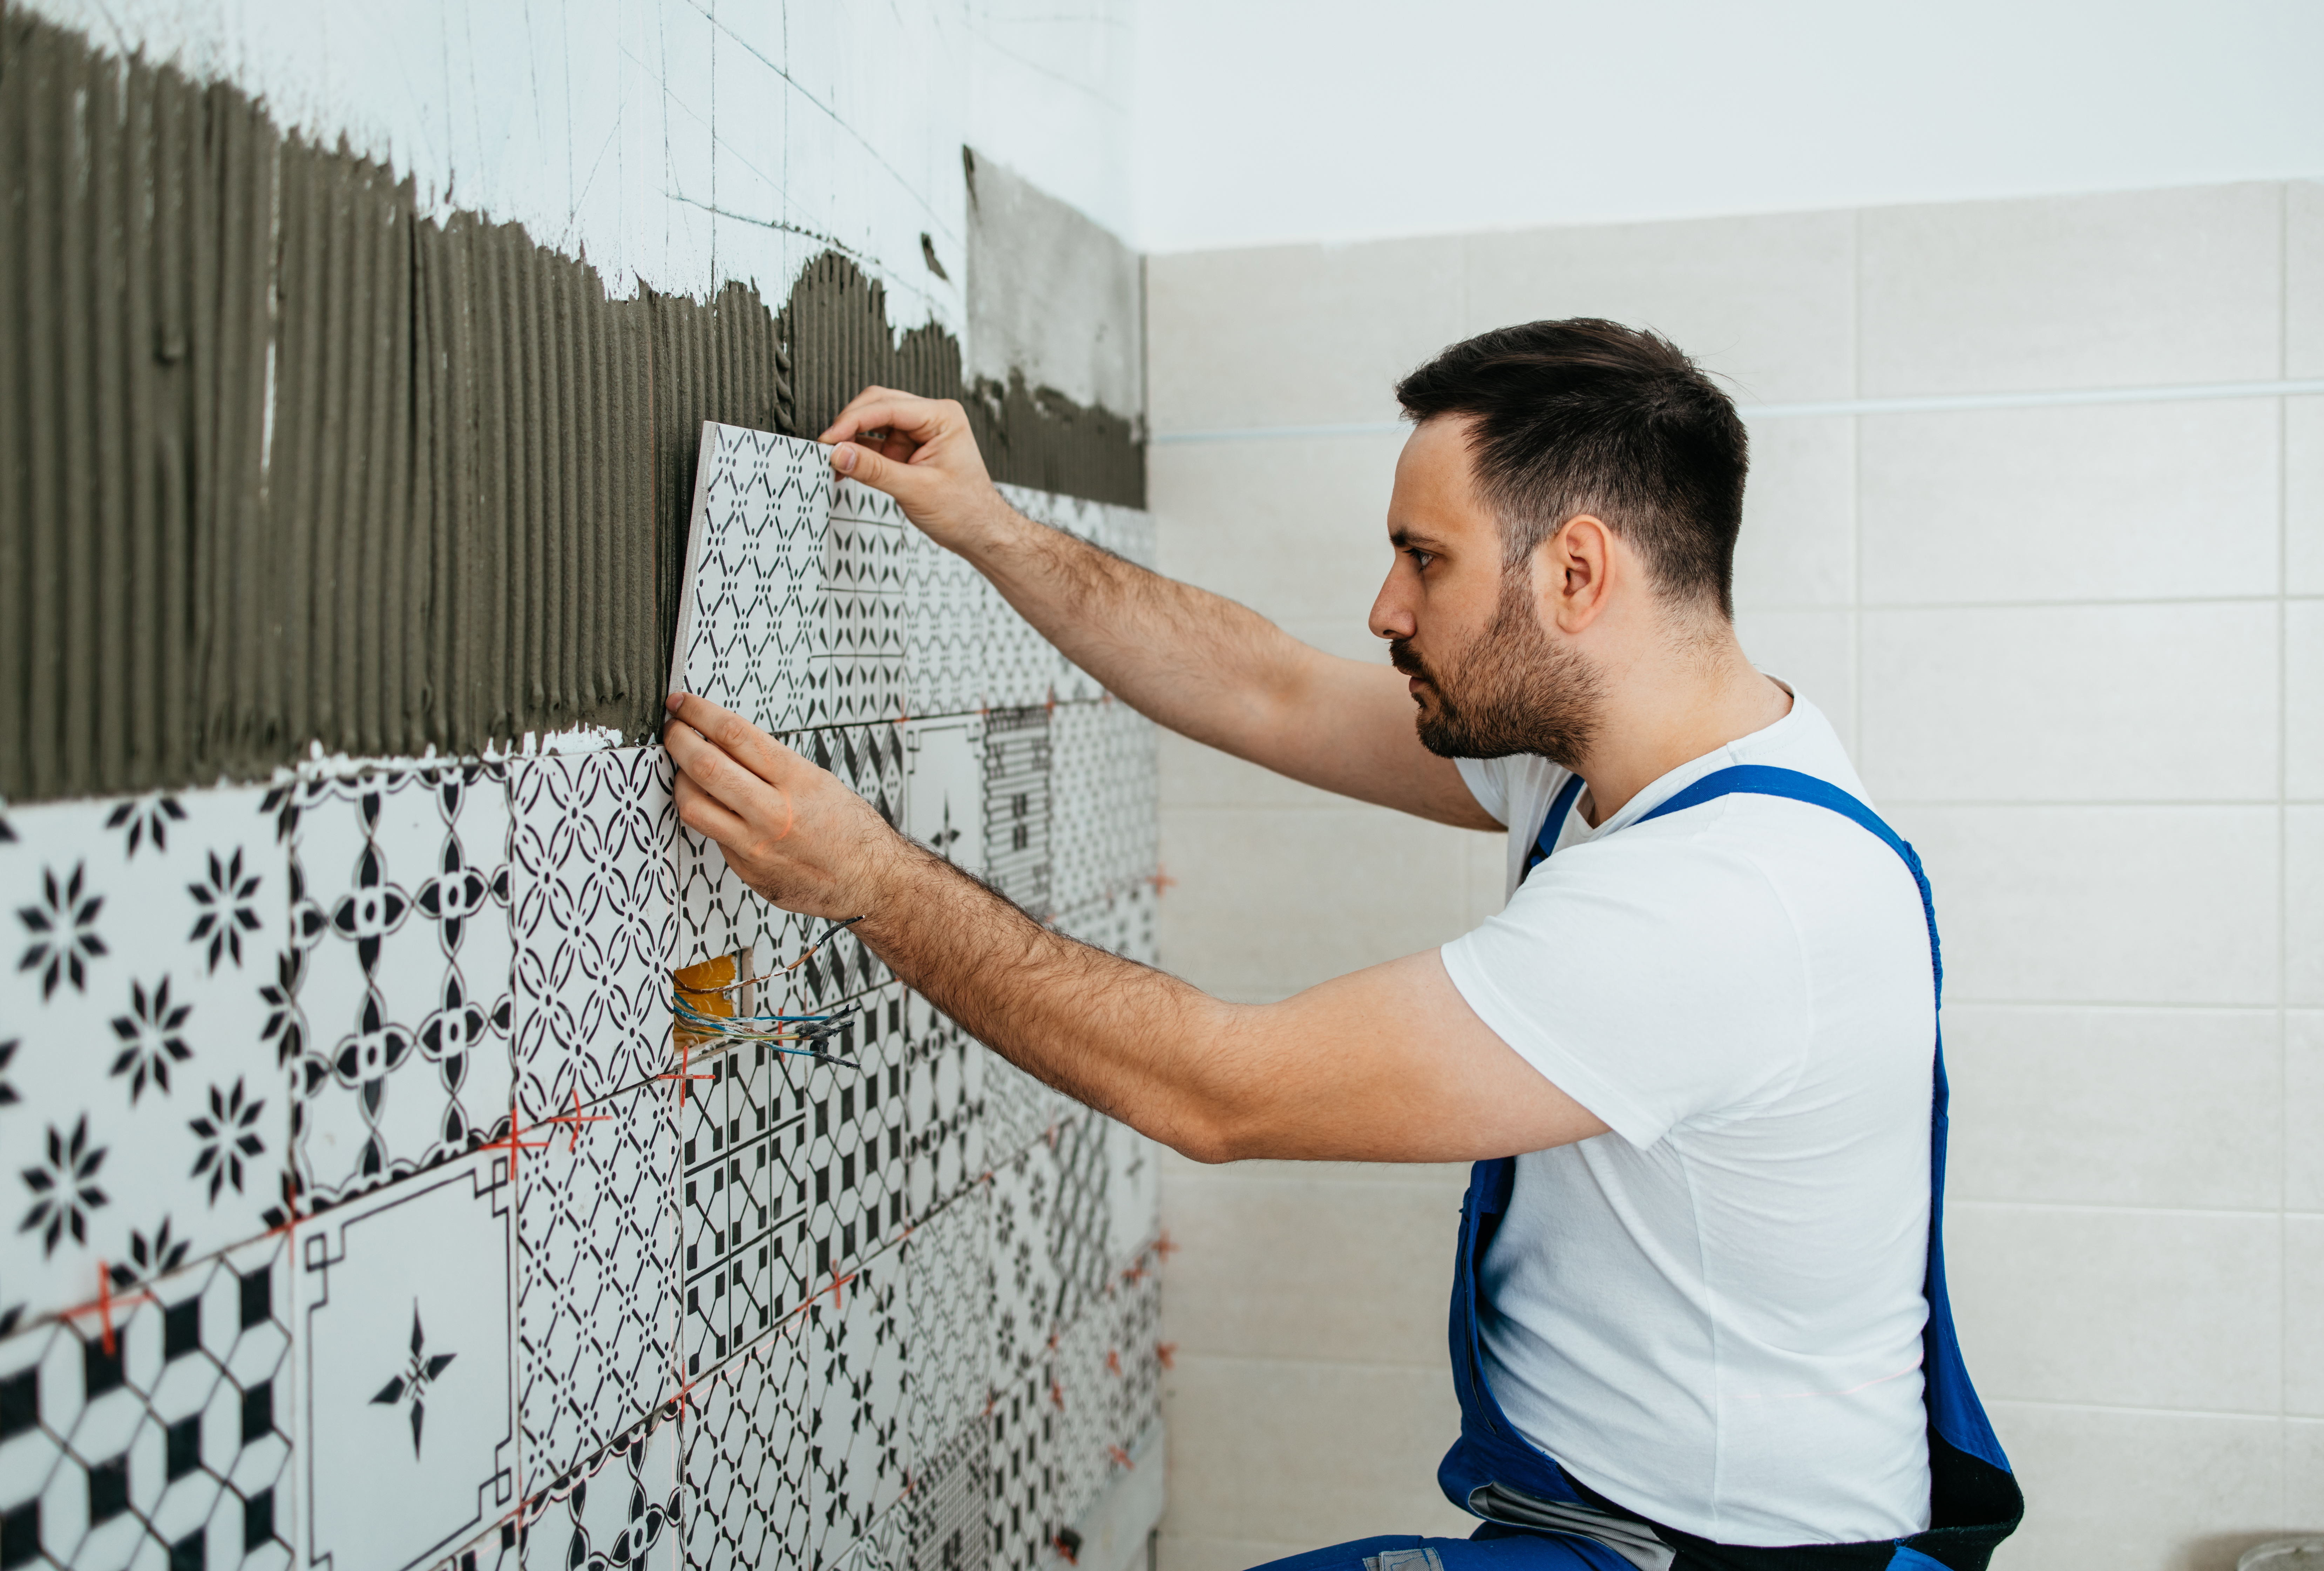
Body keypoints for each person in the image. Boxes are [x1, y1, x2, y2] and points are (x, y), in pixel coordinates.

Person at [660, 320, 2022, 1571]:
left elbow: (1217, 1090)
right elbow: (1270, 691)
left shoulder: (1721, 903)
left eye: (1423, 558)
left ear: (1577, 572)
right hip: (1606, 1526)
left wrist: (872, 882)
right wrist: (988, 526)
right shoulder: (1642, 762)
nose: (1384, 608)